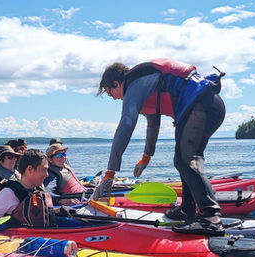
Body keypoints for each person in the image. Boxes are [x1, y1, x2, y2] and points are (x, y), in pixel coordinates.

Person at [92, 58, 226, 236]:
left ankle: (211, 218)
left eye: (111, 93)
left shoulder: (135, 84)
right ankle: (187, 210)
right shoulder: (146, 85)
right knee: (182, 159)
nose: (115, 98)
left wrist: (110, 172)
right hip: (203, 106)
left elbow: (126, 123)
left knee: (186, 160)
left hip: (202, 105)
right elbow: (153, 124)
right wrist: (146, 157)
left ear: (116, 84)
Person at [0, 149, 57, 227]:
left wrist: (59, 210)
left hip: (43, 235)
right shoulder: (9, 193)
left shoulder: (39, 190)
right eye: (44, 170)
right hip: (20, 237)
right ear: (30, 169)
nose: (47, 175)